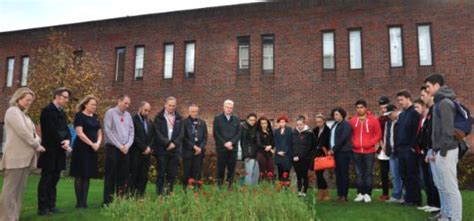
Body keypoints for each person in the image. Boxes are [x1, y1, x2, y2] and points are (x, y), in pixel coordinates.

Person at [0, 88, 45, 221]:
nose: (28, 103)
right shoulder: (12, 112)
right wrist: (36, 144)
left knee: (19, 192)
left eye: (30, 101)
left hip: (25, 158)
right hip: (15, 158)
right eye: (26, 100)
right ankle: (6, 218)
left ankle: (14, 216)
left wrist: (37, 140)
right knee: (10, 192)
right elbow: (23, 133)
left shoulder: (24, 115)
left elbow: (35, 134)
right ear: (18, 98)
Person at [424, 74, 462, 221]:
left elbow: (448, 130)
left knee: (451, 188)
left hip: (447, 150)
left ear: (437, 85)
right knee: (444, 186)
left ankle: (456, 218)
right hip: (441, 150)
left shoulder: (445, 103)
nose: (427, 90)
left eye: (428, 86)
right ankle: (447, 215)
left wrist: (443, 151)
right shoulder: (439, 103)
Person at [37, 87, 72, 215]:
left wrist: (68, 140)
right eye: (65, 97)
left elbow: (66, 129)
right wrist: (63, 142)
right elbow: (51, 130)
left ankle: (51, 205)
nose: (67, 100)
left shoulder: (62, 112)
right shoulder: (47, 111)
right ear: (57, 96)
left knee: (55, 178)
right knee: (46, 179)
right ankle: (42, 208)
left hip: (60, 151)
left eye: (68, 97)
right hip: (50, 150)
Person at [70, 95, 102, 208]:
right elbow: (79, 133)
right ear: (85, 104)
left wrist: (98, 143)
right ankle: (79, 203)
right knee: (80, 175)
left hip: (92, 150)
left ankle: (84, 202)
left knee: (87, 175)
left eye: (95, 104)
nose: (95, 106)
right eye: (93, 104)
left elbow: (99, 132)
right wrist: (91, 143)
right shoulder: (79, 116)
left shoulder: (96, 117)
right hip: (81, 149)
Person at [103, 95, 134, 205]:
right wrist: (119, 145)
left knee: (124, 176)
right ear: (119, 101)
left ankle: (120, 200)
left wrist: (128, 145)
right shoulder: (110, 113)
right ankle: (108, 201)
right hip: (113, 149)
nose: (127, 105)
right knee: (111, 175)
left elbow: (131, 132)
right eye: (125, 103)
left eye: (128, 104)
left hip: (125, 149)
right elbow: (108, 131)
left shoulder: (128, 115)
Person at [349, 99, 382, 203]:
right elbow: (349, 134)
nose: (359, 109)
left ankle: (367, 194)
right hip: (356, 151)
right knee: (359, 173)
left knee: (368, 173)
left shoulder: (373, 120)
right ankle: (360, 194)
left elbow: (378, 134)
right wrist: (353, 142)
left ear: (366, 108)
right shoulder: (352, 121)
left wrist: (371, 143)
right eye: (357, 108)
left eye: (361, 107)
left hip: (369, 151)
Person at [414, 96, 440, 213]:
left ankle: (436, 204)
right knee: (426, 180)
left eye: (417, 107)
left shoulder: (430, 118)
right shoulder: (422, 120)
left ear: (424, 107)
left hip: (429, 151)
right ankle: (430, 202)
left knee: (432, 179)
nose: (416, 109)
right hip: (422, 152)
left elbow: (429, 136)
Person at [153, 96, 184, 195]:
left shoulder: (179, 118)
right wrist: (167, 143)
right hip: (162, 150)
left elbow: (181, 133)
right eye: (170, 105)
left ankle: (169, 193)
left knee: (172, 174)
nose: (172, 107)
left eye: (173, 105)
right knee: (161, 173)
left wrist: (174, 143)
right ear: (165, 105)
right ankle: (160, 194)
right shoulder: (159, 117)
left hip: (174, 151)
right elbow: (157, 133)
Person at [396, 89, 422, 207]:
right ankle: (408, 198)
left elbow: (416, 131)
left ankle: (416, 199)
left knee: (412, 175)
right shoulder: (402, 115)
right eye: (398, 100)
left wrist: (412, 146)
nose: (400, 102)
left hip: (410, 149)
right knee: (404, 174)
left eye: (401, 99)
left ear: (408, 98)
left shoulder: (414, 113)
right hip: (401, 149)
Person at [213, 99, 241, 188]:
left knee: (231, 169)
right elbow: (216, 133)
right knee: (220, 169)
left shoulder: (237, 119)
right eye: (227, 107)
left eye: (230, 108)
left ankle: (229, 187)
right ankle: (219, 187)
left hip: (233, 149)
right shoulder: (217, 118)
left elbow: (239, 133)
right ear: (223, 107)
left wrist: (231, 142)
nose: (229, 109)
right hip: (222, 149)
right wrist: (225, 143)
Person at [129, 101, 154, 197]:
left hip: (146, 154)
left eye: (148, 111)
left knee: (144, 175)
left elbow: (152, 137)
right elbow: (133, 136)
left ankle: (141, 194)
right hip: (136, 152)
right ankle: (132, 194)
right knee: (135, 174)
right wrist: (143, 147)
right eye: (145, 110)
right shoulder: (133, 120)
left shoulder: (149, 122)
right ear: (140, 109)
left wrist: (149, 147)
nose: (147, 113)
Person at [328, 107, 352, 202]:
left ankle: (344, 195)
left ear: (342, 114)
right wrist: (331, 148)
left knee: (343, 174)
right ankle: (339, 194)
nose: (335, 116)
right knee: (338, 174)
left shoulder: (346, 124)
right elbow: (332, 138)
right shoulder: (334, 124)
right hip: (335, 153)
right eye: (334, 114)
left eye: (337, 114)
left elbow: (342, 139)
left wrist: (333, 149)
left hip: (343, 152)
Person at [182, 104, 208, 190]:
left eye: (196, 111)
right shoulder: (184, 122)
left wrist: (200, 147)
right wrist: (193, 146)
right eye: (193, 111)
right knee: (187, 172)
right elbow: (183, 137)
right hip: (188, 151)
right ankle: (185, 190)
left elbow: (205, 137)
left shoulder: (202, 123)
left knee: (197, 172)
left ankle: (197, 190)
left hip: (199, 152)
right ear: (189, 112)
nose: (195, 113)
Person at [382, 104, 404, 204]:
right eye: (388, 114)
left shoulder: (402, 120)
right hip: (391, 152)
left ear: (395, 111)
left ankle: (404, 195)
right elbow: (386, 136)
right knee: (394, 175)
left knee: (402, 174)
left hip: (400, 152)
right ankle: (396, 195)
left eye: (390, 114)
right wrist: (386, 149)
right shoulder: (388, 123)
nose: (389, 116)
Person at [291, 116, 315, 197]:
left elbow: (309, 147)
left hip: (305, 159)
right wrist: (293, 156)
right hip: (295, 159)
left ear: (304, 124)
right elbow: (291, 146)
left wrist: (300, 157)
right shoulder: (294, 133)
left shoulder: (309, 133)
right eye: (297, 124)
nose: (299, 126)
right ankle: (299, 191)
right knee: (298, 176)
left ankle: (304, 192)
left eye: (300, 124)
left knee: (304, 175)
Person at [312, 114, 331, 201]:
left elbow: (328, 143)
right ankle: (321, 193)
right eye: (317, 122)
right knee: (318, 174)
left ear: (324, 121)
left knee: (320, 174)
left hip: (323, 154)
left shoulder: (328, 130)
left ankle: (325, 193)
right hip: (315, 155)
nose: (318, 123)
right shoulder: (315, 130)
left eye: (320, 122)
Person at [377, 96, 391, 201]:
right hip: (383, 149)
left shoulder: (392, 118)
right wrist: (382, 146)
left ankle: (398, 193)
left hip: (393, 149)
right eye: (381, 108)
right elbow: (379, 135)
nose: (383, 110)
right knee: (383, 173)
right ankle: (385, 193)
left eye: (385, 107)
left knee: (396, 173)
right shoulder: (379, 120)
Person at [273, 116, 292, 188]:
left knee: (286, 173)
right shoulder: (276, 131)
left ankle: (286, 189)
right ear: (278, 123)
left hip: (287, 155)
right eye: (280, 122)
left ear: (285, 122)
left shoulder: (289, 130)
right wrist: (278, 151)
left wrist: (285, 151)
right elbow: (275, 142)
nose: (282, 123)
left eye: (283, 122)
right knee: (280, 172)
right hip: (278, 155)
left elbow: (290, 143)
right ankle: (280, 188)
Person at [240, 113, 259, 185]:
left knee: (256, 174)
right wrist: (246, 155)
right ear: (247, 120)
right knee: (249, 173)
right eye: (250, 120)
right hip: (248, 154)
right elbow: (243, 143)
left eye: (254, 120)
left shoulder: (256, 128)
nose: (252, 122)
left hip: (256, 154)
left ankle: (254, 191)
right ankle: (248, 190)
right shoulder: (244, 128)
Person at [256, 116, 275, 181]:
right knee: (262, 172)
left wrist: (271, 147)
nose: (264, 125)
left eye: (265, 123)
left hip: (269, 154)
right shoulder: (258, 132)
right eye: (262, 123)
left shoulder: (270, 131)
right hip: (261, 154)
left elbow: (273, 142)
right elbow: (258, 144)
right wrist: (267, 147)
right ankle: (262, 186)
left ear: (268, 124)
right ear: (260, 124)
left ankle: (270, 187)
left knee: (271, 171)